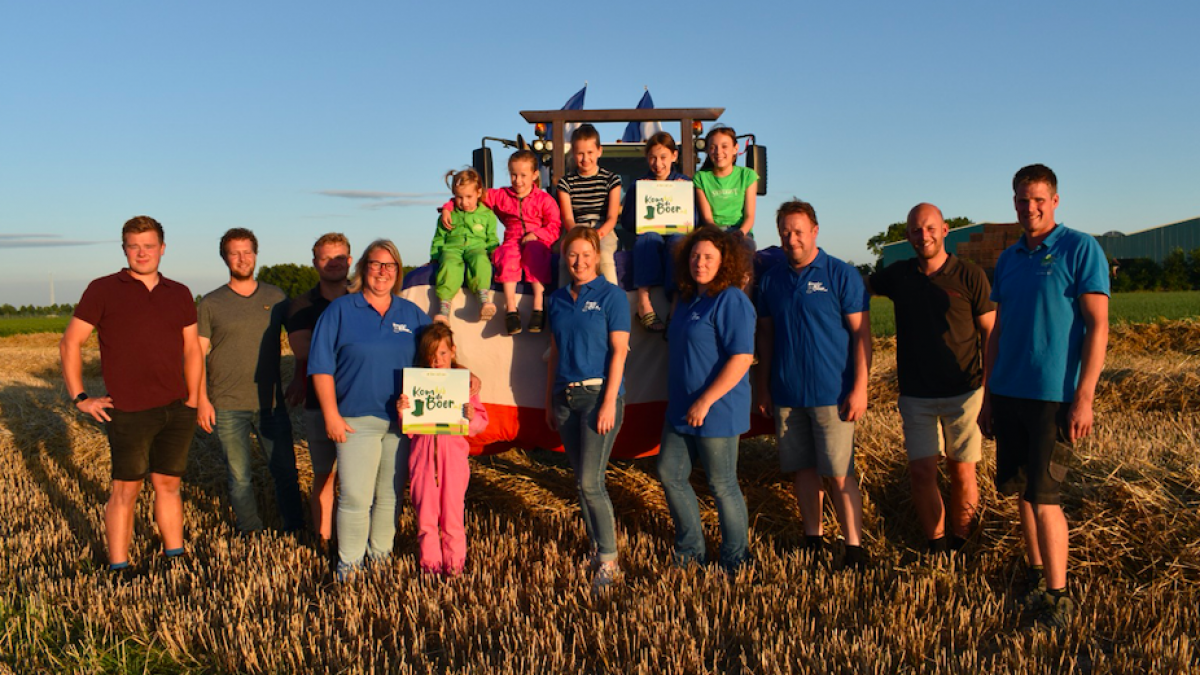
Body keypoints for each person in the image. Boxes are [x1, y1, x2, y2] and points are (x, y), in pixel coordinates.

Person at [981, 164, 1109, 628]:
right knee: (1021, 492)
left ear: (1055, 200)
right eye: (1020, 199)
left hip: (1052, 395)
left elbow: (1098, 326)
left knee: (1046, 495)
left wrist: (1085, 397)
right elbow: (997, 333)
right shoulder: (1010, 257)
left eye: (1037, 199)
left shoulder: (1080, 248)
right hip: (1008, 390)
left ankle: (1059, 596)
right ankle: (1036, 576)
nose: (1029, 207)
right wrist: (988, 393)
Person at [59, 215, 203, 572]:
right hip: (129, 409)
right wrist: (80, 398)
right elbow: (70, 343)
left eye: (149, 246)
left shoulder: (180, 292)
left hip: (177, 406)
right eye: (134, 246)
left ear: (162, 249)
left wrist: (195, 398)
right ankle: (119, 566)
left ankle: (175, 557)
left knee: (168, 485)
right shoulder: (103, 289)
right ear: (124, 249)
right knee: (126, 490)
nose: (142, 253)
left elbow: (192, 350)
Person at [869, 204, 994, 555]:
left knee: (962, 473)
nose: (923, 236)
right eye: (915, 230)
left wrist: (989, 387)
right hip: (916, 395)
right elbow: (856, 288)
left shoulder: (970, 276)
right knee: (922, 473)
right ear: (907, 235)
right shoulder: (899, 275)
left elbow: (990, 333)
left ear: (945, 231)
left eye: (929, 228)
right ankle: (937, 547)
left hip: (965, 392)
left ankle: (962, 543)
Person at [756, 200, 871, 569]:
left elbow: (861, 334)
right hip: (788, 393)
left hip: (832, 394)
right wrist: (764, 386)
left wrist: (860, 388)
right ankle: (813, 538)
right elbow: (766, 338)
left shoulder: (840, 274)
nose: (792, 239)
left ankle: (854, 548)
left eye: (798, 231)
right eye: (785, 233)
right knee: (802, 470)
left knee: (838, 473)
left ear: (815, 231)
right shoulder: (772, 280)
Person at [308, 239, 431, 580]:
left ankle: (380, 559)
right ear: (363, 268)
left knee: (389, 495)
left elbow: (439, 350)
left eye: (389, 266)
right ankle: (349, 564)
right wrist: (331, 415)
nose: (382, 271)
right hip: (354, 420)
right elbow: (321, 366)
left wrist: (470, 376)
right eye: (375, 264)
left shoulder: (411, 314)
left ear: (398, 272)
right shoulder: (341, 310)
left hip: (400, 422)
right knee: (355, 496)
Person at [657, 226, 755, 572]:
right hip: (681, 408)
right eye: (696, 256)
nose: (701, 263)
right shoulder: (686, 298)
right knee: (669, 473)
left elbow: (741, 358)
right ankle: (690, 551)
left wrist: (706, 400)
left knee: (722, 483)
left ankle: (735, 559)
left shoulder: (732, 300)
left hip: (717, 410)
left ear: (724, 262)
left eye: (709, 257)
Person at [196, 228, 305, 534]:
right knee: (239, 475)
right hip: (227, 404)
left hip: (271, 403)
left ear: (256, 255)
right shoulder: (211, 303)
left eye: (247, 252)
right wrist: (201, 399)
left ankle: (295, 528)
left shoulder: (277, 297)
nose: (242, 259)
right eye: (235, 252)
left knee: (285, 470)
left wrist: (299, 377)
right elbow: (196, 355)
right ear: (225, 258)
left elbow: (301, 342)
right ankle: (250, 530)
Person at [544, 226, 631, 589]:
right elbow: (554, 354)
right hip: (566, 398)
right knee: (581, 484)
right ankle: (597, 548)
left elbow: (619, 352)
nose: (578, 261)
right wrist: (548, 399)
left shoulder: (613, 297)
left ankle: (609, 562)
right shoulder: (557, 299)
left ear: (597, 256)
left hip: (598, 398)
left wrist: (609, 401)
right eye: (572, 255)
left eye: (585, 254)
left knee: (591, 483)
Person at [398, 323, 488, 576]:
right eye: (431, 355)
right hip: (422, 461)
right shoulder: (417, 385)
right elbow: (410, 429)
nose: (437, 361)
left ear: (453, 351)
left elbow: (480, 424)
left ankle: (455, 567)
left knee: (452, 517)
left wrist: (471, 417)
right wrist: (402, 411)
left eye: (442, 354)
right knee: (426, 516)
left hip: (454, 462)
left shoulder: (465, 385)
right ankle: (430, 568)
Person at [441, 150, 562, 335]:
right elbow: (471, 194)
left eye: (523, 175)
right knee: (507, 255)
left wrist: (537, 234)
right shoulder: (502, 195)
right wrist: (448, 207)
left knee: (535, 253)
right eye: (513, 175)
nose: (518, 180)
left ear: (535, 175)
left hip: (537, 239)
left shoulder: (544, 200)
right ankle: (511, 309)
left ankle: (539, 305)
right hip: (512, 238)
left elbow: (555, 225)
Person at [285, 233, 352, 547]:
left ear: (349, 261)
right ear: (315, 264)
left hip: (360, 403)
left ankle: (352, 537)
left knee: (357, 479)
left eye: (339, 258)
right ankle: (323, 538)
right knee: (325, 473)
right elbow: (303, 351)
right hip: (319, 404)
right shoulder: (301, 304)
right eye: (326, 259)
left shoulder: (365, 297)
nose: (333, 264)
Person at [619, 131, 692, 332]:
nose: (657, 163)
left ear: (674, 156)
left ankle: (675, 305)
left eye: (663, 157)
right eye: (652, 157)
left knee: (679, 241)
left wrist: (682, 194)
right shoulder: (638, 185)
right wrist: (642, 203)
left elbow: (695, 221)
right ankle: (643, 302)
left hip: (675, 237)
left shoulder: (686, 184)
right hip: (650, 239)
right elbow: (626, 222)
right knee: (647, 238)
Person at [430, 168, 499, 323]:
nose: (464, 202)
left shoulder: (487, 215)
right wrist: (435, 257)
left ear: (479, 193)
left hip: (476, 248)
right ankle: (443, 309)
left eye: (469, 197)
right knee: (449, 264)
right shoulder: (448, 215)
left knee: (481, 260)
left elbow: (491, 238)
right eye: (459, 197)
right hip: (452, 249)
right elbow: (439, 238)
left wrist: (494, 253)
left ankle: (483, 300)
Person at [557, 124, 622, 286]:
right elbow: (568, 218)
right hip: (576, 230)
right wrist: (579, 235)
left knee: (605, 256)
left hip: (603, 231)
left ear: (599, 151)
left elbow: (612, 217)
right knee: (567, 256)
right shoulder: (565, 183)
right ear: (573, 153)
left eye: (590, 153)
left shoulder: (612, 180)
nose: (585, 159)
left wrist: (597, 234)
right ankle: (562, 302)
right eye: (580, 154)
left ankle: (612, 298)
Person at [694, 126, 758, 245]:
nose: (718, 152)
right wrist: (719, 236)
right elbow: (707, 218)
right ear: (707, 151)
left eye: (724, 146)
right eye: (713, 147)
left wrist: (740, 233)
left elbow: (749, 216)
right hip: (713, 231)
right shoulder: (700, 178)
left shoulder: (748, 175)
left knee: (745, 247)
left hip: (741, 232)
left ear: (735, 149)